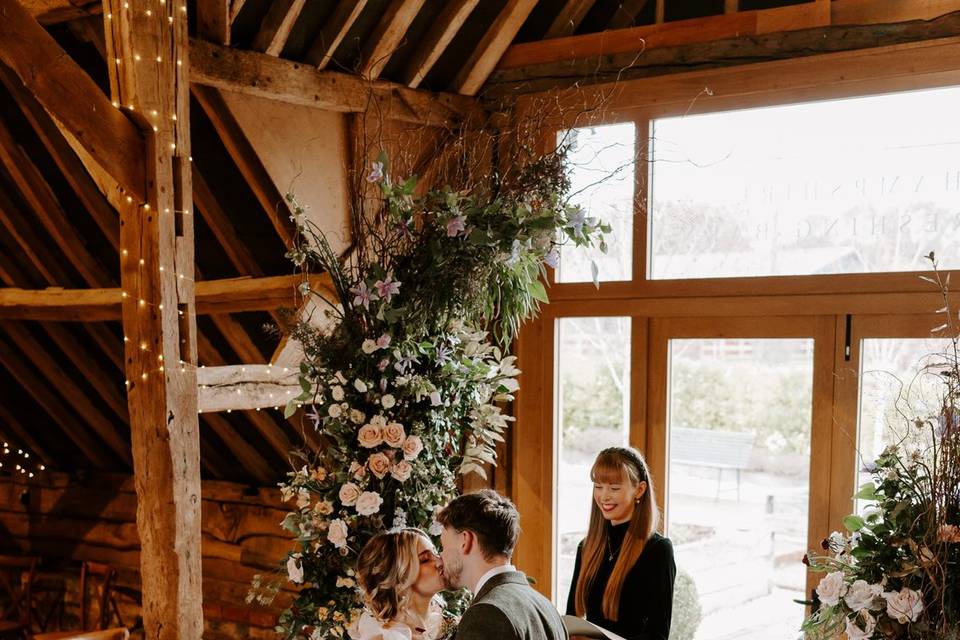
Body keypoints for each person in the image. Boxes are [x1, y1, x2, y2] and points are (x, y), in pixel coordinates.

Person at [566, 447, 676, 640]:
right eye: (598, 486)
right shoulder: (586, 547)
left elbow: (657, 635)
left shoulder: (658, 550)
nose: (604, 496)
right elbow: (572, 618)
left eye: (614, 488)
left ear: (639, 490)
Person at [436, 489, 567, 640]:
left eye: (444, 546)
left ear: (466, 541)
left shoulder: (486, 615)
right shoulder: (547, 608)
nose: (441, 556)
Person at [351, 528, 447, 640]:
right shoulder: (387, 636)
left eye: (435, 553)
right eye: (425, 560)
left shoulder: (443, 624)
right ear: (398, 579)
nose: (440, 562)